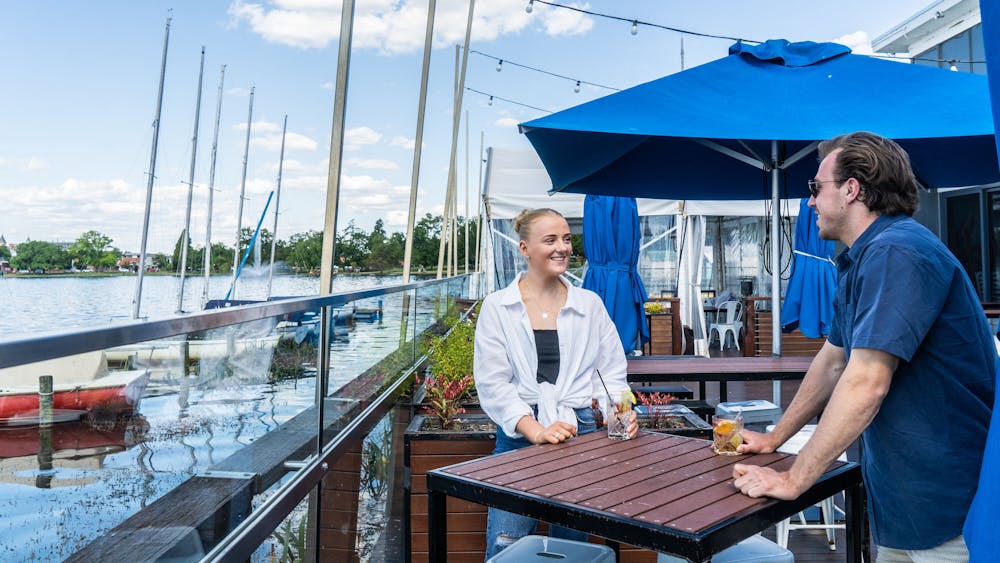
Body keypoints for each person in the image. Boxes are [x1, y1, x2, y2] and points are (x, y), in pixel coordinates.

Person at [732, 132, 996, 561]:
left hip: (949, 504)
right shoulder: (866, 257)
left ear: (852, 189)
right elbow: (833, 361)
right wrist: (774, 437)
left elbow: (866, 382)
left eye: (816, 188)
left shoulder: (898, 251)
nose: (811, 201)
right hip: (903, 503)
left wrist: (795, 479)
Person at [474, 208, 638, 559]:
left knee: (573, 549)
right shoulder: (498, 307)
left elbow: (611, 373)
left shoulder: (589, 304)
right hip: (519, 436)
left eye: (566, 239)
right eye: (550, 240)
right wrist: (534, 430)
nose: (562, 247)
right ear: (524, 248)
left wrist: (620, 414)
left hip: (579, 433)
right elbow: (492, 382)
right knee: (507, 546)